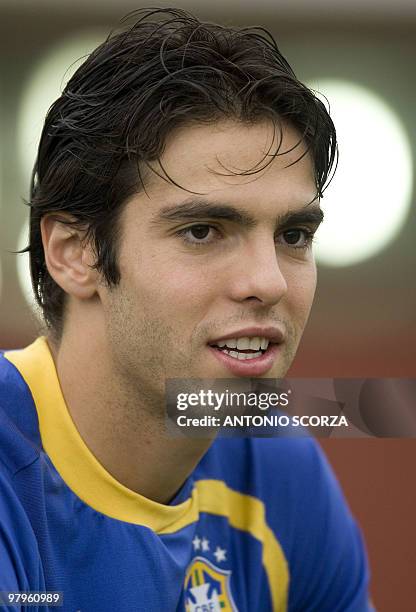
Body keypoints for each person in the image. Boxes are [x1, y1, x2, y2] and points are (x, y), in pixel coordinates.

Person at [0, 7, 373, 611]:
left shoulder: (280, 470)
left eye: (294, 235)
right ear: (74, 254)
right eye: (203, 231)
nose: (268, 281)